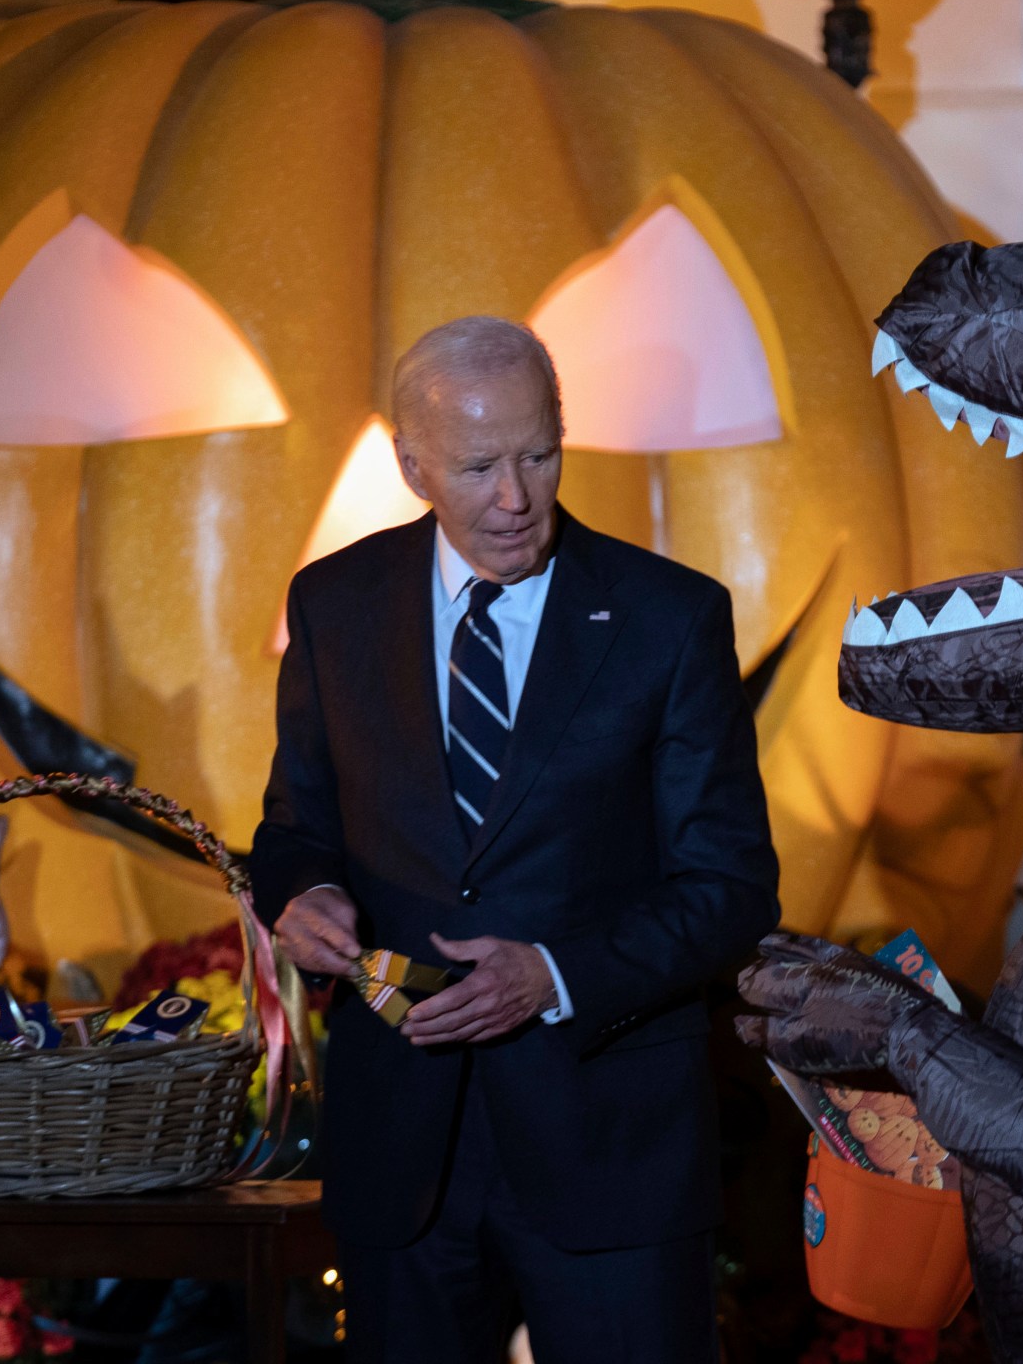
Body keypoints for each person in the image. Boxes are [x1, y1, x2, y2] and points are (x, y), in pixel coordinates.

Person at [251, 316, 779, 1364]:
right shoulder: (333, 605)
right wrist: (300, 893)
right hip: (401, 1150)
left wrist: (556, 974)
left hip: (609, 1142)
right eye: (480, 465)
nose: (516, 497)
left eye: (539, 455)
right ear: (413, 466)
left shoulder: (669, 619)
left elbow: (731, 885)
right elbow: (292, 827)